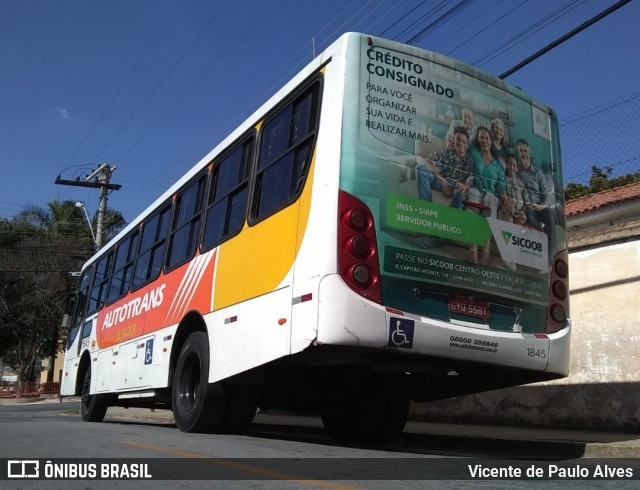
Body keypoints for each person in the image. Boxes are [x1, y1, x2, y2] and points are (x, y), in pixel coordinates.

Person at [415, 126, 475, 248]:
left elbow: (471, 179)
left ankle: (442, 230)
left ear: (468, 145)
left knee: (462, 193)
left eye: (464, 142)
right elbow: (429, 161)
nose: (461, 144)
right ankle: (426, 215)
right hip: (440, 181)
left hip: (456, 187)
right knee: (420, 169)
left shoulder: (470, 161)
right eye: (458, 140)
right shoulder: (447, 152)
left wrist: (465, 185)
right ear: (454, 140)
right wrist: (442, 180)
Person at [466, 126, 509, 265]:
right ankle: (473, 248)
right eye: (481, 137)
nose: (484, 140)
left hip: (491, 194)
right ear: (478, 139)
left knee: (490, 199)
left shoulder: (498, 165)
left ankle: (486, 250)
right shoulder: (474, 152)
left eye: (487, 138)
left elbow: (501, 186)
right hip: (476, 189)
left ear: (491, 141)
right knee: (473, 193)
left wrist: (507, 200)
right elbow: (466, 141)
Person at [516, 138, 555, 268]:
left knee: (549, 213)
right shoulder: (517, 173)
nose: (523, 153)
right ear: (518, 153)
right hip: (527, 206)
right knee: (529, 217)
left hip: (540, 205)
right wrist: (527, 203)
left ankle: (550, 257)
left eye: (525, 150)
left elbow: (546, 195)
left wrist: (541, 205)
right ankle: (538, 257)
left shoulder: (538, 172)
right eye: (521, 151)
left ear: (529, 152)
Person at [503, 153, 527, 225]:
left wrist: (522, 211)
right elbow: (503, 195)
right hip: (508, 208)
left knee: (521, 220)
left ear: (517, 168)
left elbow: (525, 200)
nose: (511, 167)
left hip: (519, 210)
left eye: (514, 165)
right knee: (509, 217)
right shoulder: (504, 180)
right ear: (506, 165)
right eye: (509, 164)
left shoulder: (521, 184)